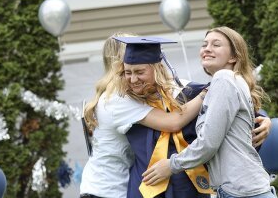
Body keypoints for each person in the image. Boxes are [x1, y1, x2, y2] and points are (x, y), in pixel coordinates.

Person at [142, 27, 275, 198]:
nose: (207, 49)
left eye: (216, 45)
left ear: (234, 56)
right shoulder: (228, 82)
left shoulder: (224, 79)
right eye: (204, 44)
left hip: (243, 191)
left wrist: (171, 165)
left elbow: (209, 142)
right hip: (238, 189)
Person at [80, 34, 208, 198]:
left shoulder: (117, 94)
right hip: (107, 190)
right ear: (121, 62)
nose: (133, 78)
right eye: (129, 70)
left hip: (106, 186)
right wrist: (206, 93)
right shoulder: (118, 99)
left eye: (139, 70)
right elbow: (173, 122)